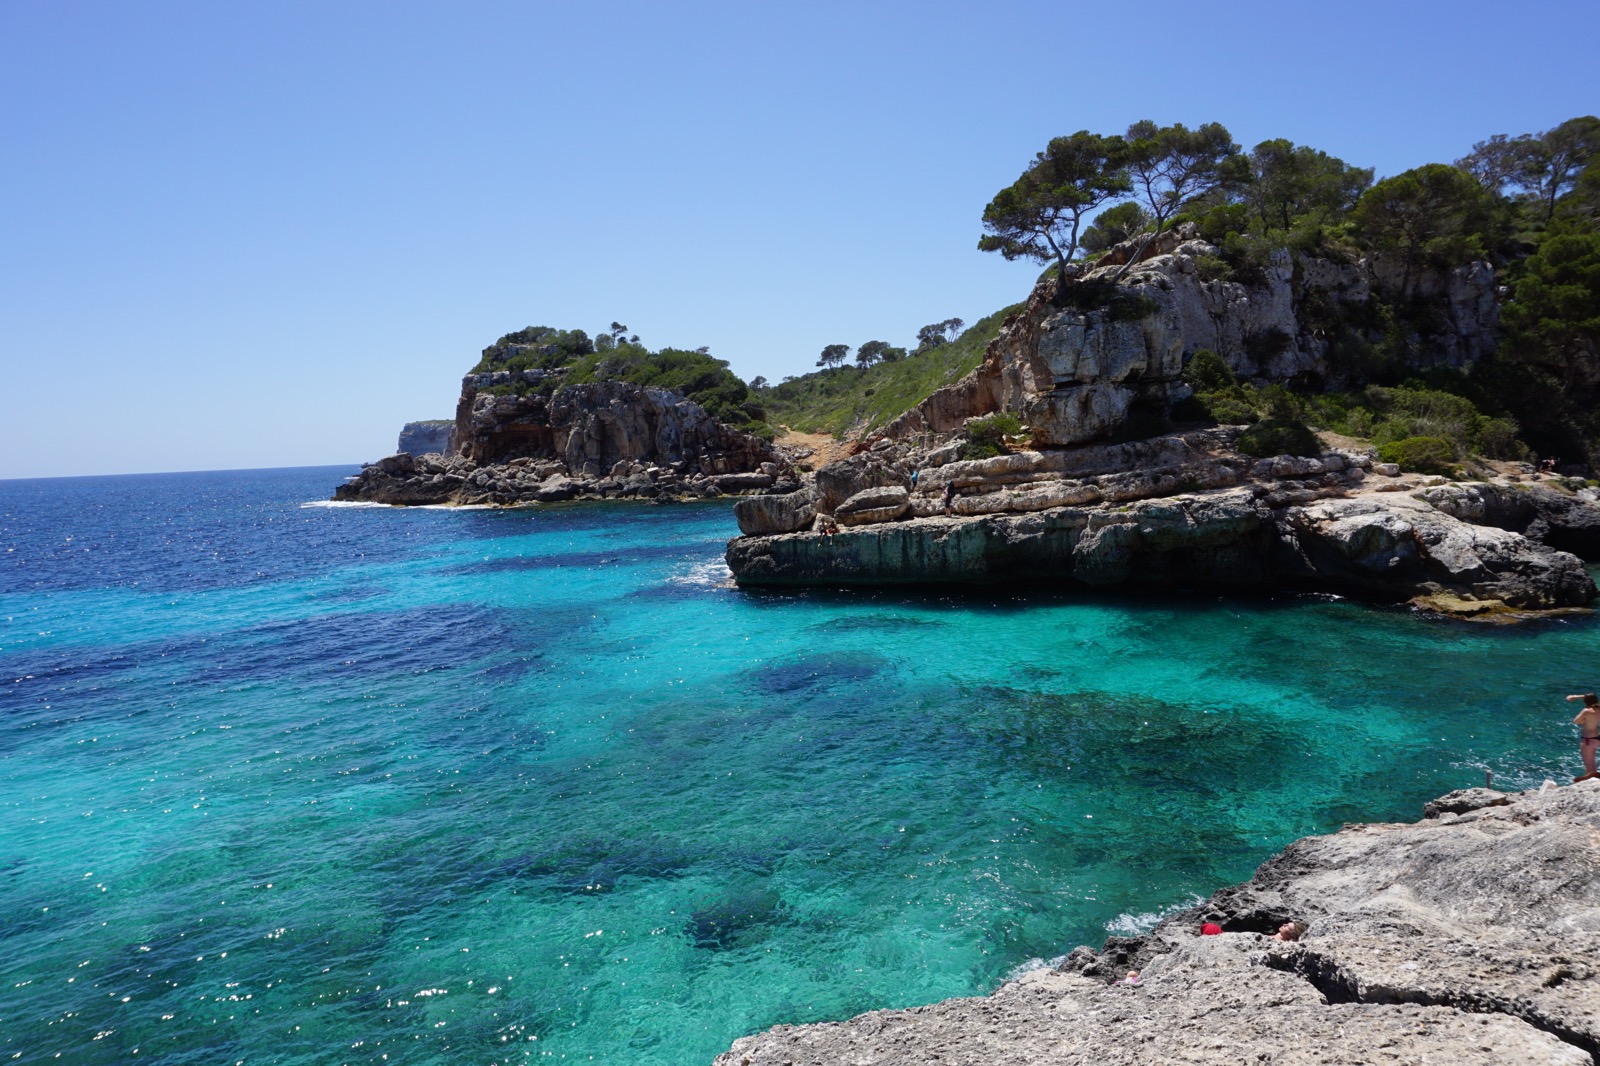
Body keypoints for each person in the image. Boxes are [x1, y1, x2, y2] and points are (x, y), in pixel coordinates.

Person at [1565, 692, 1600, 781]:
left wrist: (1583, 721)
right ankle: (1595, 778)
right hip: (1596, 738)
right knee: (1592, 762)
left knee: (1588, 764)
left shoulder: (1586, 711)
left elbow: (1575, 721)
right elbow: (1591, 698)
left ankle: (1592, 781)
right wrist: (1575, 696)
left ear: (1586, 702)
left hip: (1587, 740)